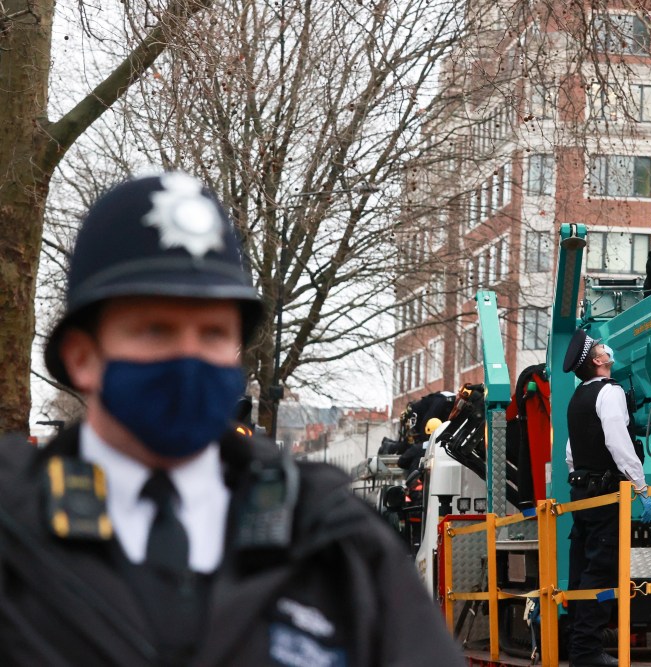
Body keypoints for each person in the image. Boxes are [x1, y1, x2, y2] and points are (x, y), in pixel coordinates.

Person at [0, 173, 463, 666]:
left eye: (214, 332)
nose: (189, 355)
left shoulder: (334, 543)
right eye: (156, 329)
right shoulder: (13, 529)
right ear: (81, 356)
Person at [563, 329, 651, 667]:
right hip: (605, 494)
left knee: (582, 568)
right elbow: (619, 442)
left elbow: (570, 454)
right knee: (601, 571)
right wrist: (641, 487)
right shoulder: (610, 392)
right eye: (601, 347)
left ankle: (578, 647)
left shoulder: (577, 398)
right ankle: (587, 652)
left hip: (583, 492)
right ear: (599, 361)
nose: (606, 346)